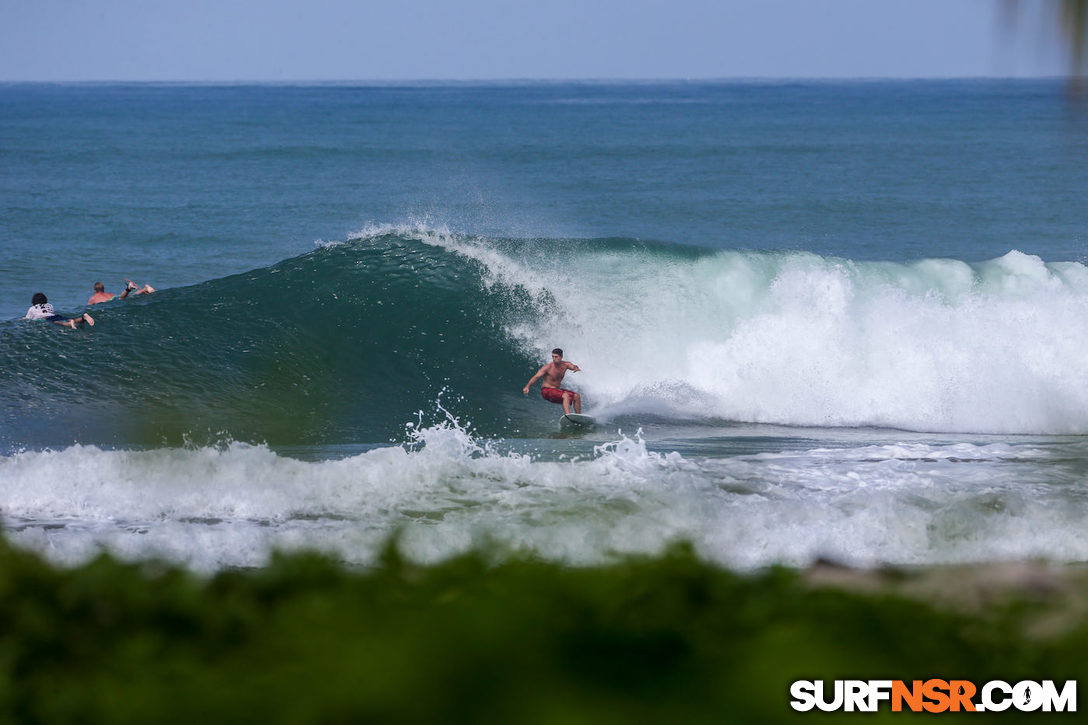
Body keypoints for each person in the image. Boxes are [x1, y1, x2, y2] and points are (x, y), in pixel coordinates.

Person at [523, 348, 582, 414]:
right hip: (546, 391)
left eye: (556, 357)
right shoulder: (548, 367)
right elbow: (536, 377)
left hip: (557, 391)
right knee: (565, 395)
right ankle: (568, 416)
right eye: (553, 357)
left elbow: (573, 366)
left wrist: (576, 368)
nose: (554, 359)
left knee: (576, 396)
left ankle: (578, 417)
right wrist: (527, 386)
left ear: (561, 357)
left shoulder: (566, 364)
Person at [24, 293, 94, 329]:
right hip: (54, 316)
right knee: (72, 320)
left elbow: (27, 318)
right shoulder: (49, 305)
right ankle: (83, 318)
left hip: (46, 318)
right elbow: (50, 313)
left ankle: (70, 324)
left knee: (58, 322)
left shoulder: (32, 308)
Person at [88, 278, 154, 305]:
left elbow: (88, 309)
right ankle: (145, 289)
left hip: (110, 301)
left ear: (95, 290)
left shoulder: (93, 298)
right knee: (131, 296)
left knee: (121, 298)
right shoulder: (109, 294)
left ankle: (128, 288)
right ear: (103, 289)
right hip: (114, 297)